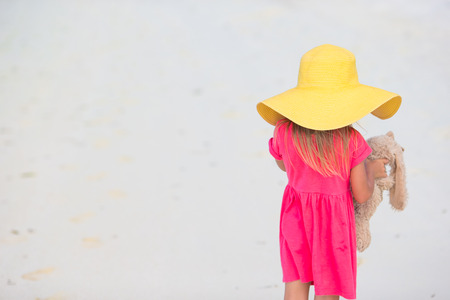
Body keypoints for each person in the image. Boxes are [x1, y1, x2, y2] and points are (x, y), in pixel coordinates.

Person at [256, 44, 402, 300]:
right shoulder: (351, 140)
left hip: (295, 214)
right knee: (328, 285)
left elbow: (284, 165)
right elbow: (361, 194)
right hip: (332, 222)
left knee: (296, 280)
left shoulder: (283, 131)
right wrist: (372, 170)